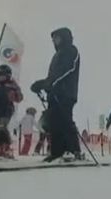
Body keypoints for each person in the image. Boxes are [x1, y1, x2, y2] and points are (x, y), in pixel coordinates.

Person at [31, 27, 82, 162]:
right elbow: (53, 76)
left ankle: (73, 150)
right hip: (54, 94)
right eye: (53, 39)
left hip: (66, 92)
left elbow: (67, 69)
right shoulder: (57, 54)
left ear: (64, 37)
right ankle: (57, 152)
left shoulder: (71, 50)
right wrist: (42, 84)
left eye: (57, 38)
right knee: (54, 122)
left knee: (65, 120)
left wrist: (49, 84)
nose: (54, 41)